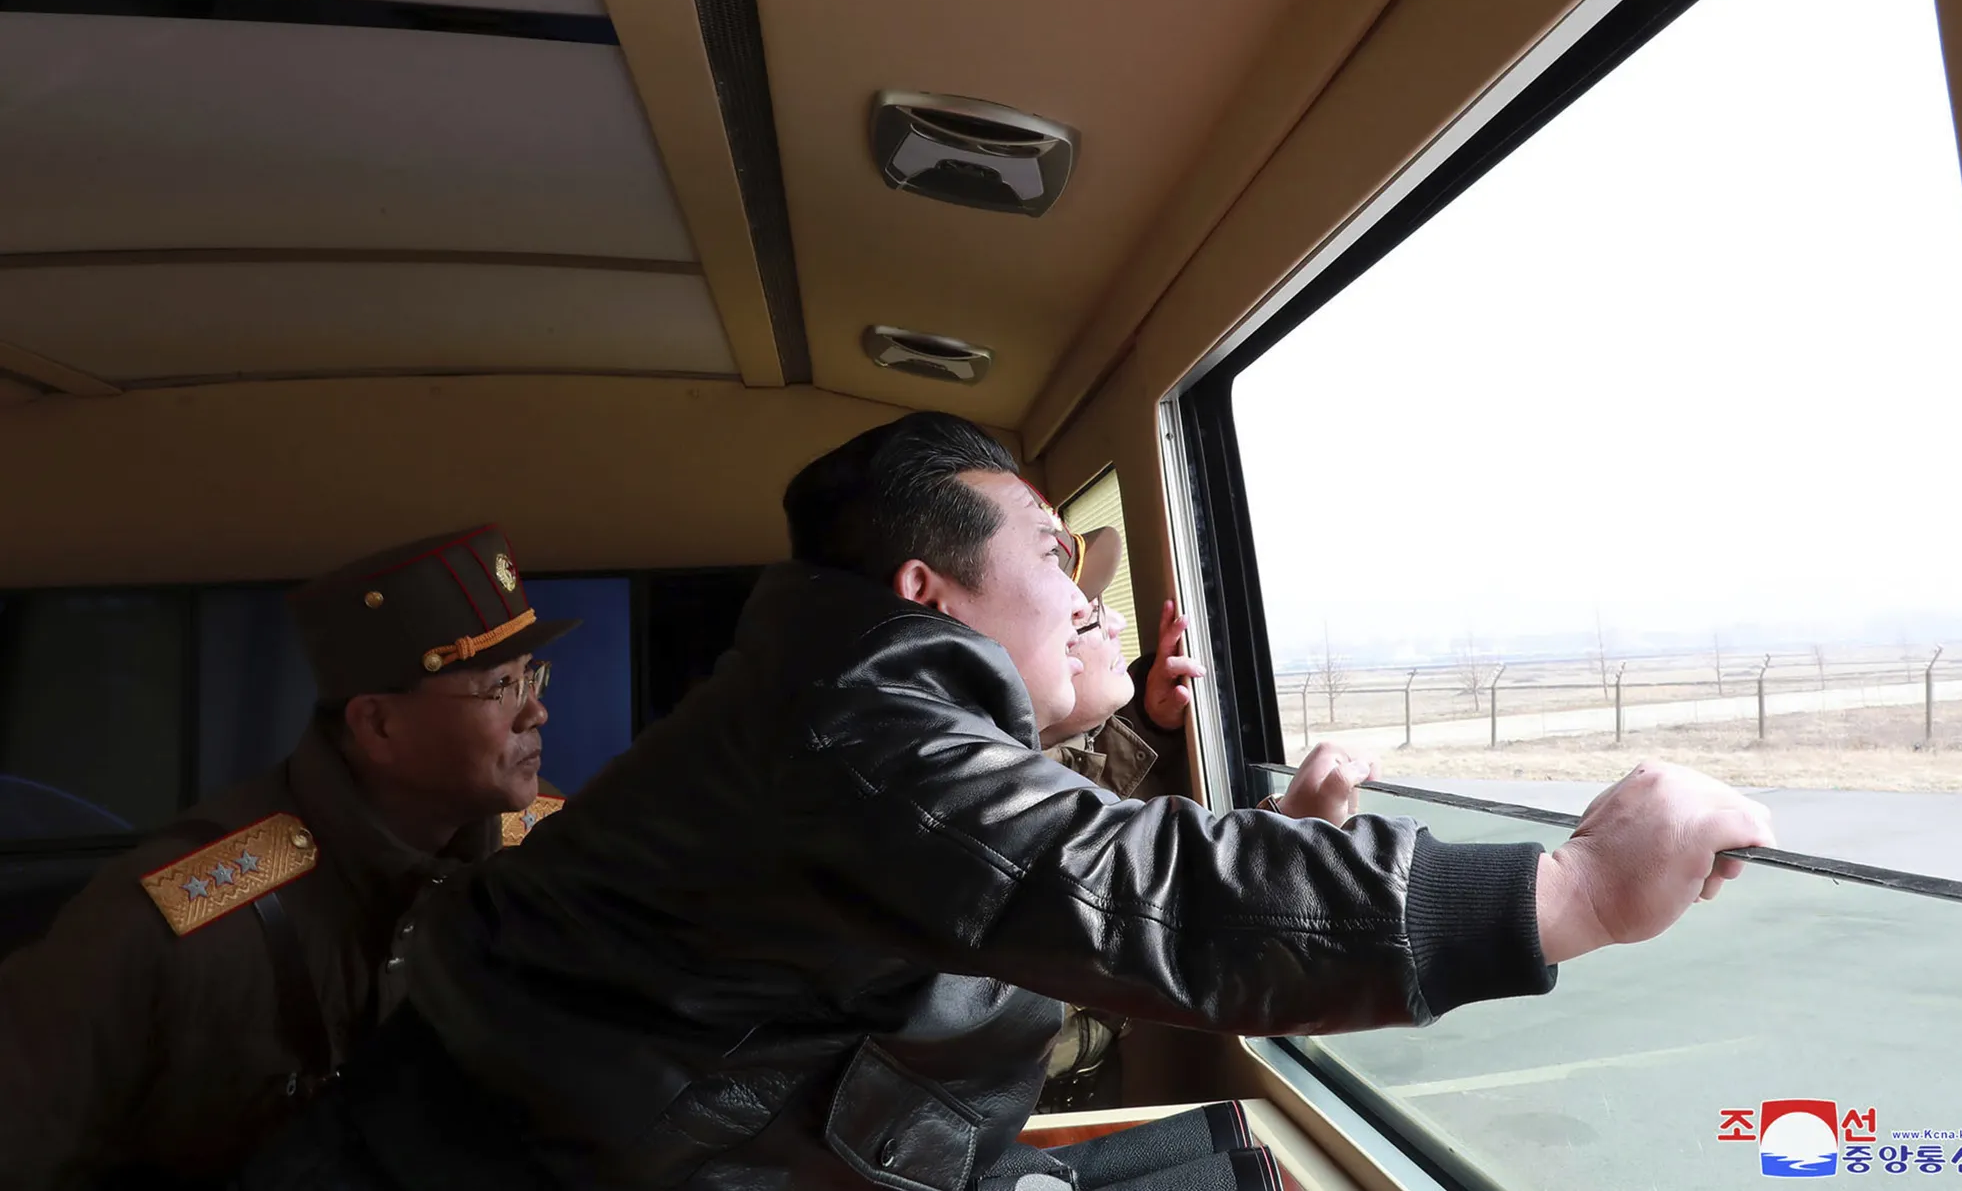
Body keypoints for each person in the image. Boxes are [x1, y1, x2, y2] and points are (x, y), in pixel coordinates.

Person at [242, 412, 1775, 1191]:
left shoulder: (846, 705)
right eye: (1055, 552)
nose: (1093, 593)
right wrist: (1570, 889)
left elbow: (1029, 867)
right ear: (926, 590)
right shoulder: (851, 712)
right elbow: (1087, 871)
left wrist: (1291, 849)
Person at [0, 525, 576, 1189]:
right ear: (378, 725)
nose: (537, 711)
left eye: (532, 674)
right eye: (499, 687)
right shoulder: (177, 921)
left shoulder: (549, 850)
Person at [1033, 526, 1381, 1112]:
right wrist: (1288, 837)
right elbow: (1128, 921)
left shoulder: (1018, 773)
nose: (1116, 623)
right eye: (1085, 618)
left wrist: (1146, 721)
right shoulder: (980, 815)